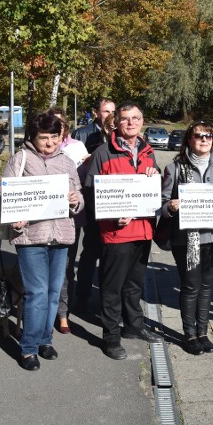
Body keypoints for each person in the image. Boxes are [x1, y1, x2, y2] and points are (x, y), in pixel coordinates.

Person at [0, 112, 84, 371]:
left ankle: (45, 340)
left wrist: (75, 200)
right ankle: (28, 348)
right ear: (33, 137)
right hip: (31, 238)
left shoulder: (67, 161)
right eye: (43, 138)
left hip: (61, 236)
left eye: (54, 137)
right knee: (36, 293)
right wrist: (14, 216)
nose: (49, 143)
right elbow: (4, 196)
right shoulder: (20, 159)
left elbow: (78, 194)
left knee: (52, 293)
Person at [83, 101, 161, 360]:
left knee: (134, 285)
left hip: (143, 230)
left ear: (142, 121)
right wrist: (110, 214)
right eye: (125, 118)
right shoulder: (104, 153)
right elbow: (92, 193)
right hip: (115, 233)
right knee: (112, 286)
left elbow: (154, 187)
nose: (131, 122)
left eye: (136, 118)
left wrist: (154, 173)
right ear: (116, 122)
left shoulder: (149, 152)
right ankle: (111, 337)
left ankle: (133, 326)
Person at [159, 121, 213, 355]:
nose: (204, 139)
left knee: (206, 286)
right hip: (187, 240)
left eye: (208, 135)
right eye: (199, 136)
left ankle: (203, 332)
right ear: (189, 141)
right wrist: (170, 207)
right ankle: (189, 334)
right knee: (191, 286)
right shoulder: (174, 168)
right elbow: (161, 205)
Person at [48, 107, 90, 335]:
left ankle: (63, 313)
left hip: (69, 218)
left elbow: (82, 184)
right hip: (43, 219)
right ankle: (44, 313)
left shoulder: (77, 148)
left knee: (65, 267)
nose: (56, 128)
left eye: (60, 124)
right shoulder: (38, 150)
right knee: (43, 269)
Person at [71, 99, 114, 312]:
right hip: (91, 202)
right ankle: (82, 296)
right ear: (96, 113)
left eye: (113, 112)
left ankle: (106, 298)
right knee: (90, 250)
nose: (110, 116)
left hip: (114, 205)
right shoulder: (83, 135)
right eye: (106, 111)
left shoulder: (129, 141)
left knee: (109, 254)